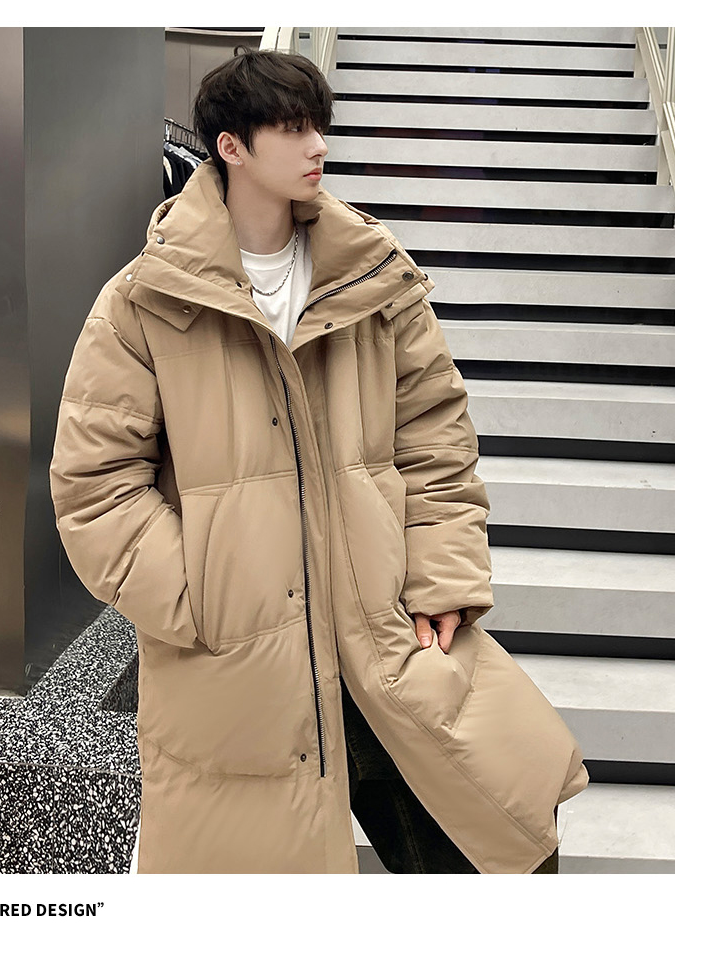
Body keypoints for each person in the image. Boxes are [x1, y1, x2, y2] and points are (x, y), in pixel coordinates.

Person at [50, 47, 588, 875]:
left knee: (504, 853)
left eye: (320, 126)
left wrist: (443, 575)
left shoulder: (371, 273)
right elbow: (96, 490)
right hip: (241, 668)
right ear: (231, 147)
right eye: (295, 128)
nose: (319, 146)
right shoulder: (142, 303)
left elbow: (435, 437)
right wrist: (205, 595)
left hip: (385, 640)